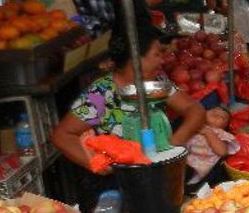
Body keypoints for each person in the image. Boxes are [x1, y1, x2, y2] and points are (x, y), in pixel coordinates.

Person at [51, 22, 206, 176]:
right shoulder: (101, 94)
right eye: (157, 54)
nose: (162, 60)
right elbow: (62, 135)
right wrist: (94, 161)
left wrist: (174, 144)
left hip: (158, 169)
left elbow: (194, 109)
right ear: (135, 60)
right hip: (122, 178)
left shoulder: (155, 83)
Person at [185, 107, 239, 188]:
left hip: (198, 168)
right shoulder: (195, 127)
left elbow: (222, 152)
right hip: (184, 161)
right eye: (214, 111)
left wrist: (209, 132)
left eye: (223, 117)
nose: (218, 113)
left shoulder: (222, 134)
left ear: (225, 126)